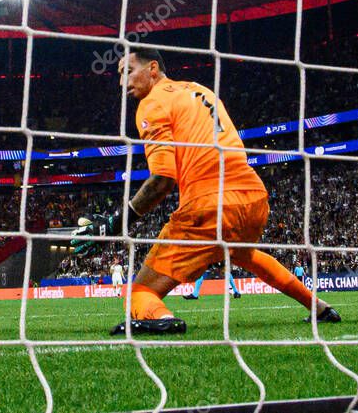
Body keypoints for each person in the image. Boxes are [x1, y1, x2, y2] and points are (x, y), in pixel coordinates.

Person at [73, 48, 339, 335]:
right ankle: (319, 307)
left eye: (128, 71)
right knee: (244, 255)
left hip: (209, 204)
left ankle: (162, 319)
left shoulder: (152, 104)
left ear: (152, 68)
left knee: (139, 293)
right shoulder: (200, 90)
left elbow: (162, 180)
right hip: (253, 197)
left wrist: (114, 223)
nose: (121, 81)